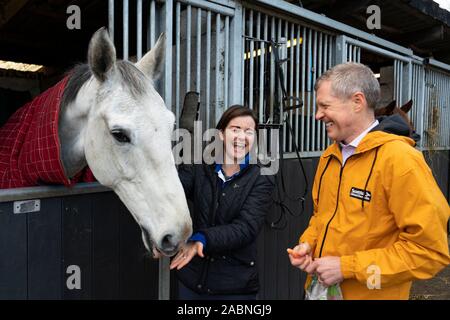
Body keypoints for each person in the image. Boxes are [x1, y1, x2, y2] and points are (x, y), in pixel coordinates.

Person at [288, 62, 450, 300]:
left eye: (324, 106)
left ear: (357, 102)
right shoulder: (329, 156)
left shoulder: (400, 160)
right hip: (320, 292)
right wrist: (308, 244)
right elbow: (321, 217)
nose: (317, 115)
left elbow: (430, 251)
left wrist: (347, 267)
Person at [171, 105, 275, 300]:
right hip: (191, 280)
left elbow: (245, 228)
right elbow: (173, 193)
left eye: (248, 132)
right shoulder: (201, 168)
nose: (241, 137)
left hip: (234, 286)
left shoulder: (261, 177)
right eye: (235, 129)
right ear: (221, 134)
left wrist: (202, 238)